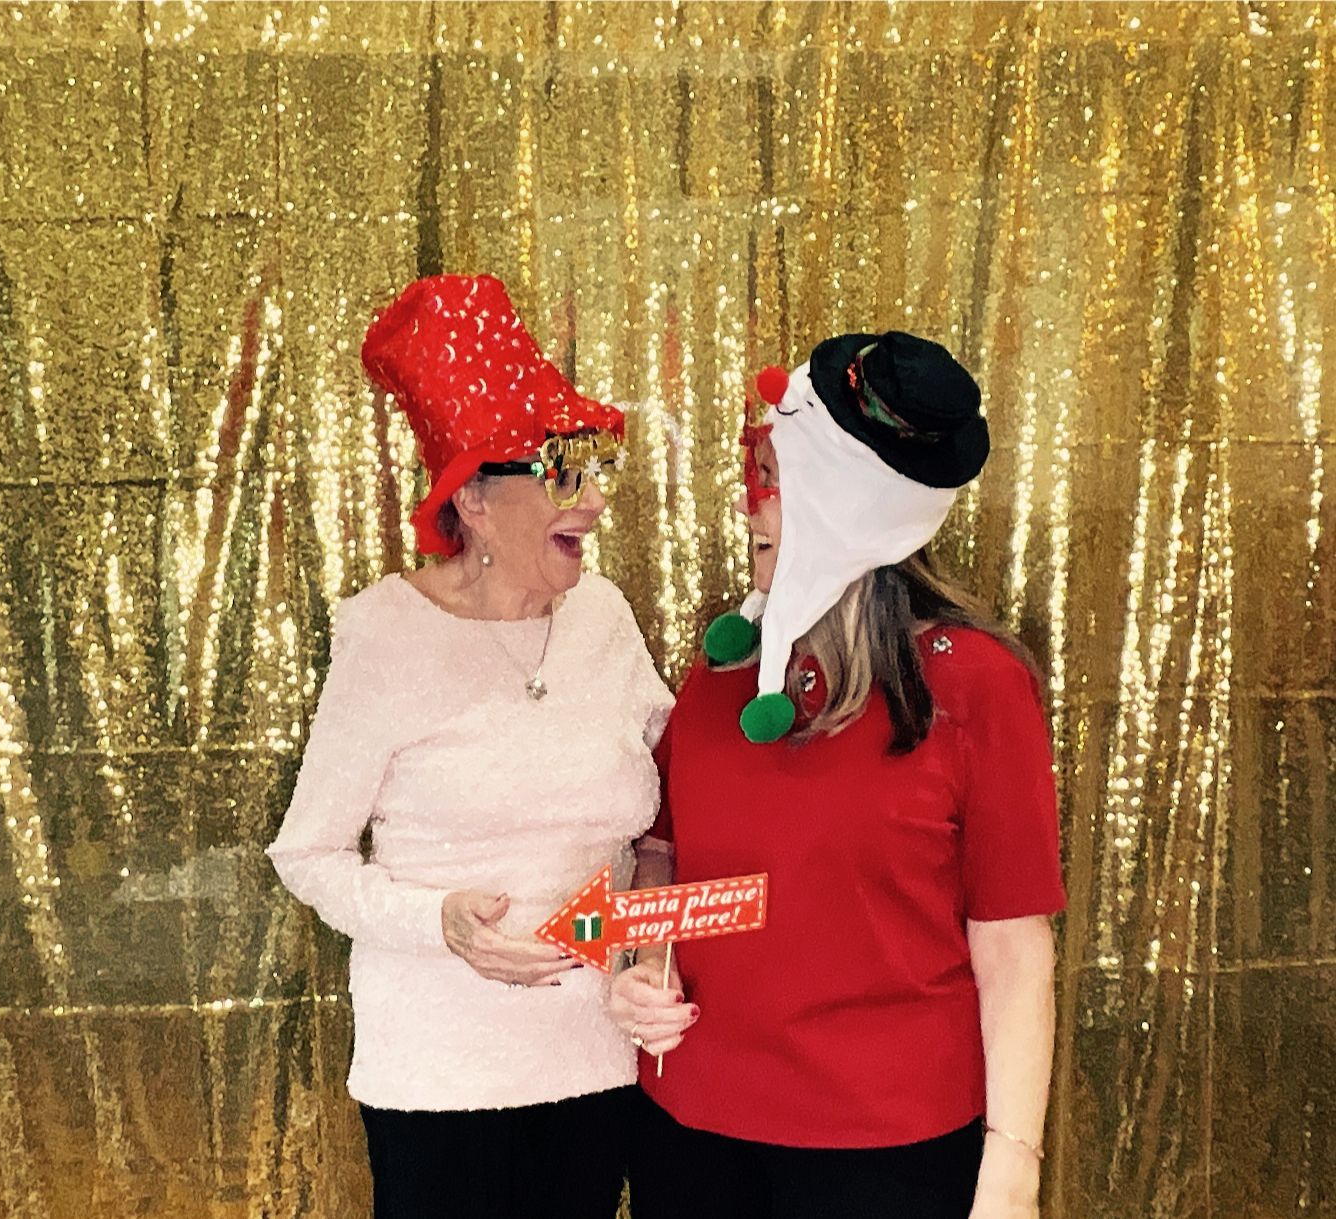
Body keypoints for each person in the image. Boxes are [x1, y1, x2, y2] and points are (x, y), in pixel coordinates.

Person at [611, 331, 1066, 1219]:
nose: (750, 508)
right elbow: (663, 851)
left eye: (776, 486)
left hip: (888, 1151)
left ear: (845, 512)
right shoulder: (726, 672)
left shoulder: (977, 686)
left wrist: (1012, 1167)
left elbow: (1014, 950)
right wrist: (644, 961)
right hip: (690, 1131)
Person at [267, 275, 673, 1219]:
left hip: (595, 1059)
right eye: (562, 471)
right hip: (439, 1079)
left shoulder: (604, 616)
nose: (593, 500)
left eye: (595, 468)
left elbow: (659, 827)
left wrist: (645, 950)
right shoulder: (384, 633)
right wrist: (438, 921)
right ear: (477, 500)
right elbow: (308, 854)